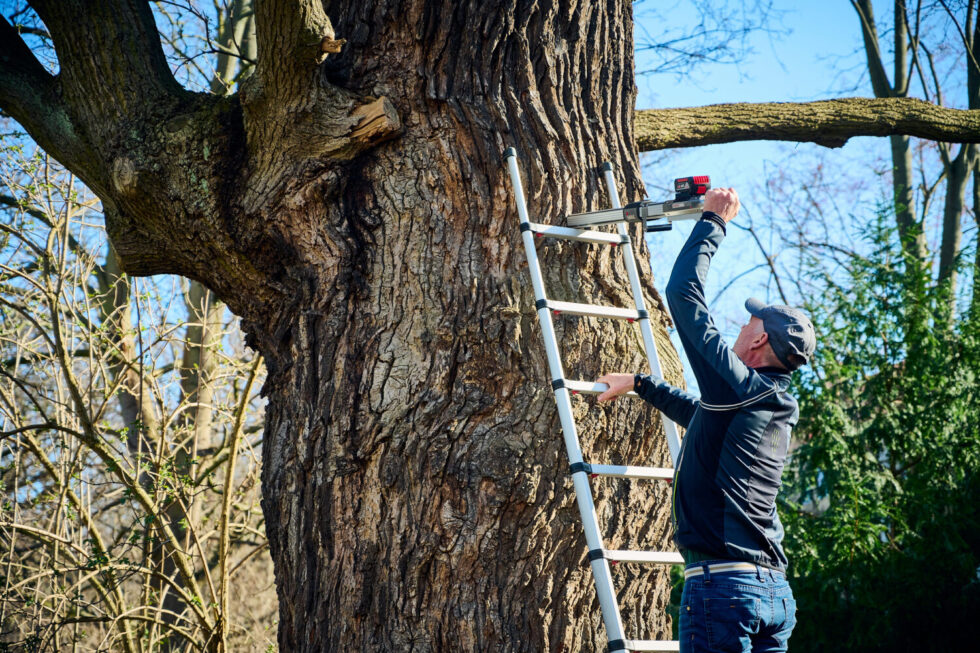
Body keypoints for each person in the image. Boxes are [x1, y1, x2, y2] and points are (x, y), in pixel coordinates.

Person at [595, 187, 815, 653]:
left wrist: (713, 222)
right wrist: (641, 384)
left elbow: (683, 296)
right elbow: (702, 418)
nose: (741, 325)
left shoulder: (740, 387)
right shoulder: (771, 404)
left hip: (725, 591)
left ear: (758, 344)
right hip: (773, 592)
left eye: (750, 323)